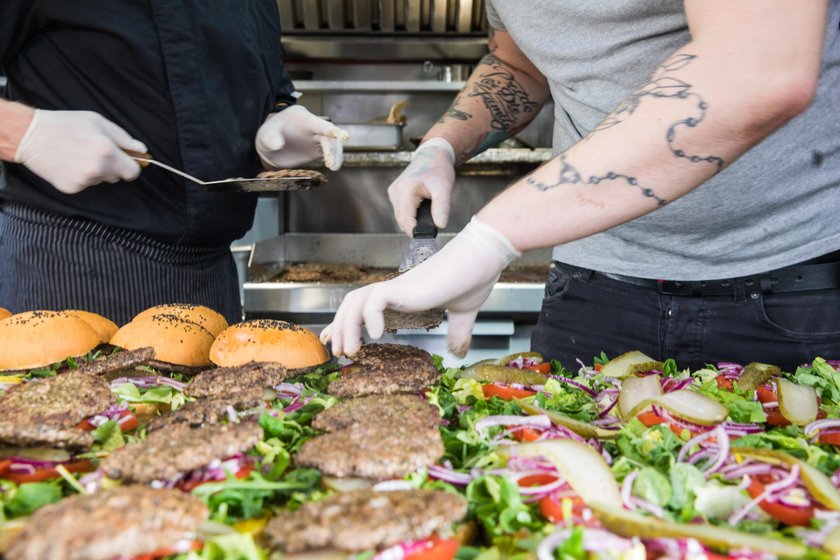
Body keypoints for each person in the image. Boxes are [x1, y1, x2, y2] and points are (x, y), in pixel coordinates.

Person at [323, 0, 840, 372]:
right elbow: (519, 62)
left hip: (789, 284)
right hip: (594, 287)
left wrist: (490, 238)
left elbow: (758, 67)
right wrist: (441, 146)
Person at [0, 2, 346, 325]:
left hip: (211, 280)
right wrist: (26, 134)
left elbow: (263, 84)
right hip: (68, 264)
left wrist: (278, 118)